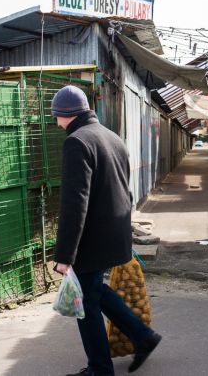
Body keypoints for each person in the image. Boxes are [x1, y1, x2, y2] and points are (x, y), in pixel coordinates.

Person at [51, 85, 161, 376]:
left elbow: (75, 204)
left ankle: (100, 368)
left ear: (64, 115)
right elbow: (124, 190)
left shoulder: (76, 141)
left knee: (84, 305)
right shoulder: (112, 137)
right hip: (115, 236)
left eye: (56, 117)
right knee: (95, 290)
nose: (57, 123)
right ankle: (143, 336)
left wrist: (65, 255)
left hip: (91, 240)